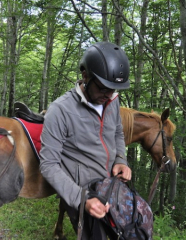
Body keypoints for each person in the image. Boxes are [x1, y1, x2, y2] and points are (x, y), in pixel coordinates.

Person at [39, 41, 132, 239]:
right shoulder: (60, 111)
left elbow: (117, 133)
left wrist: (121, 160)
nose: (108, 95)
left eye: (113, 90)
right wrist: (81, 200)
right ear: (85, 76)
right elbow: (48, 164)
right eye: (103, 88)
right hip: (84, 192)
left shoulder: (112, 101)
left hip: (111, 185)